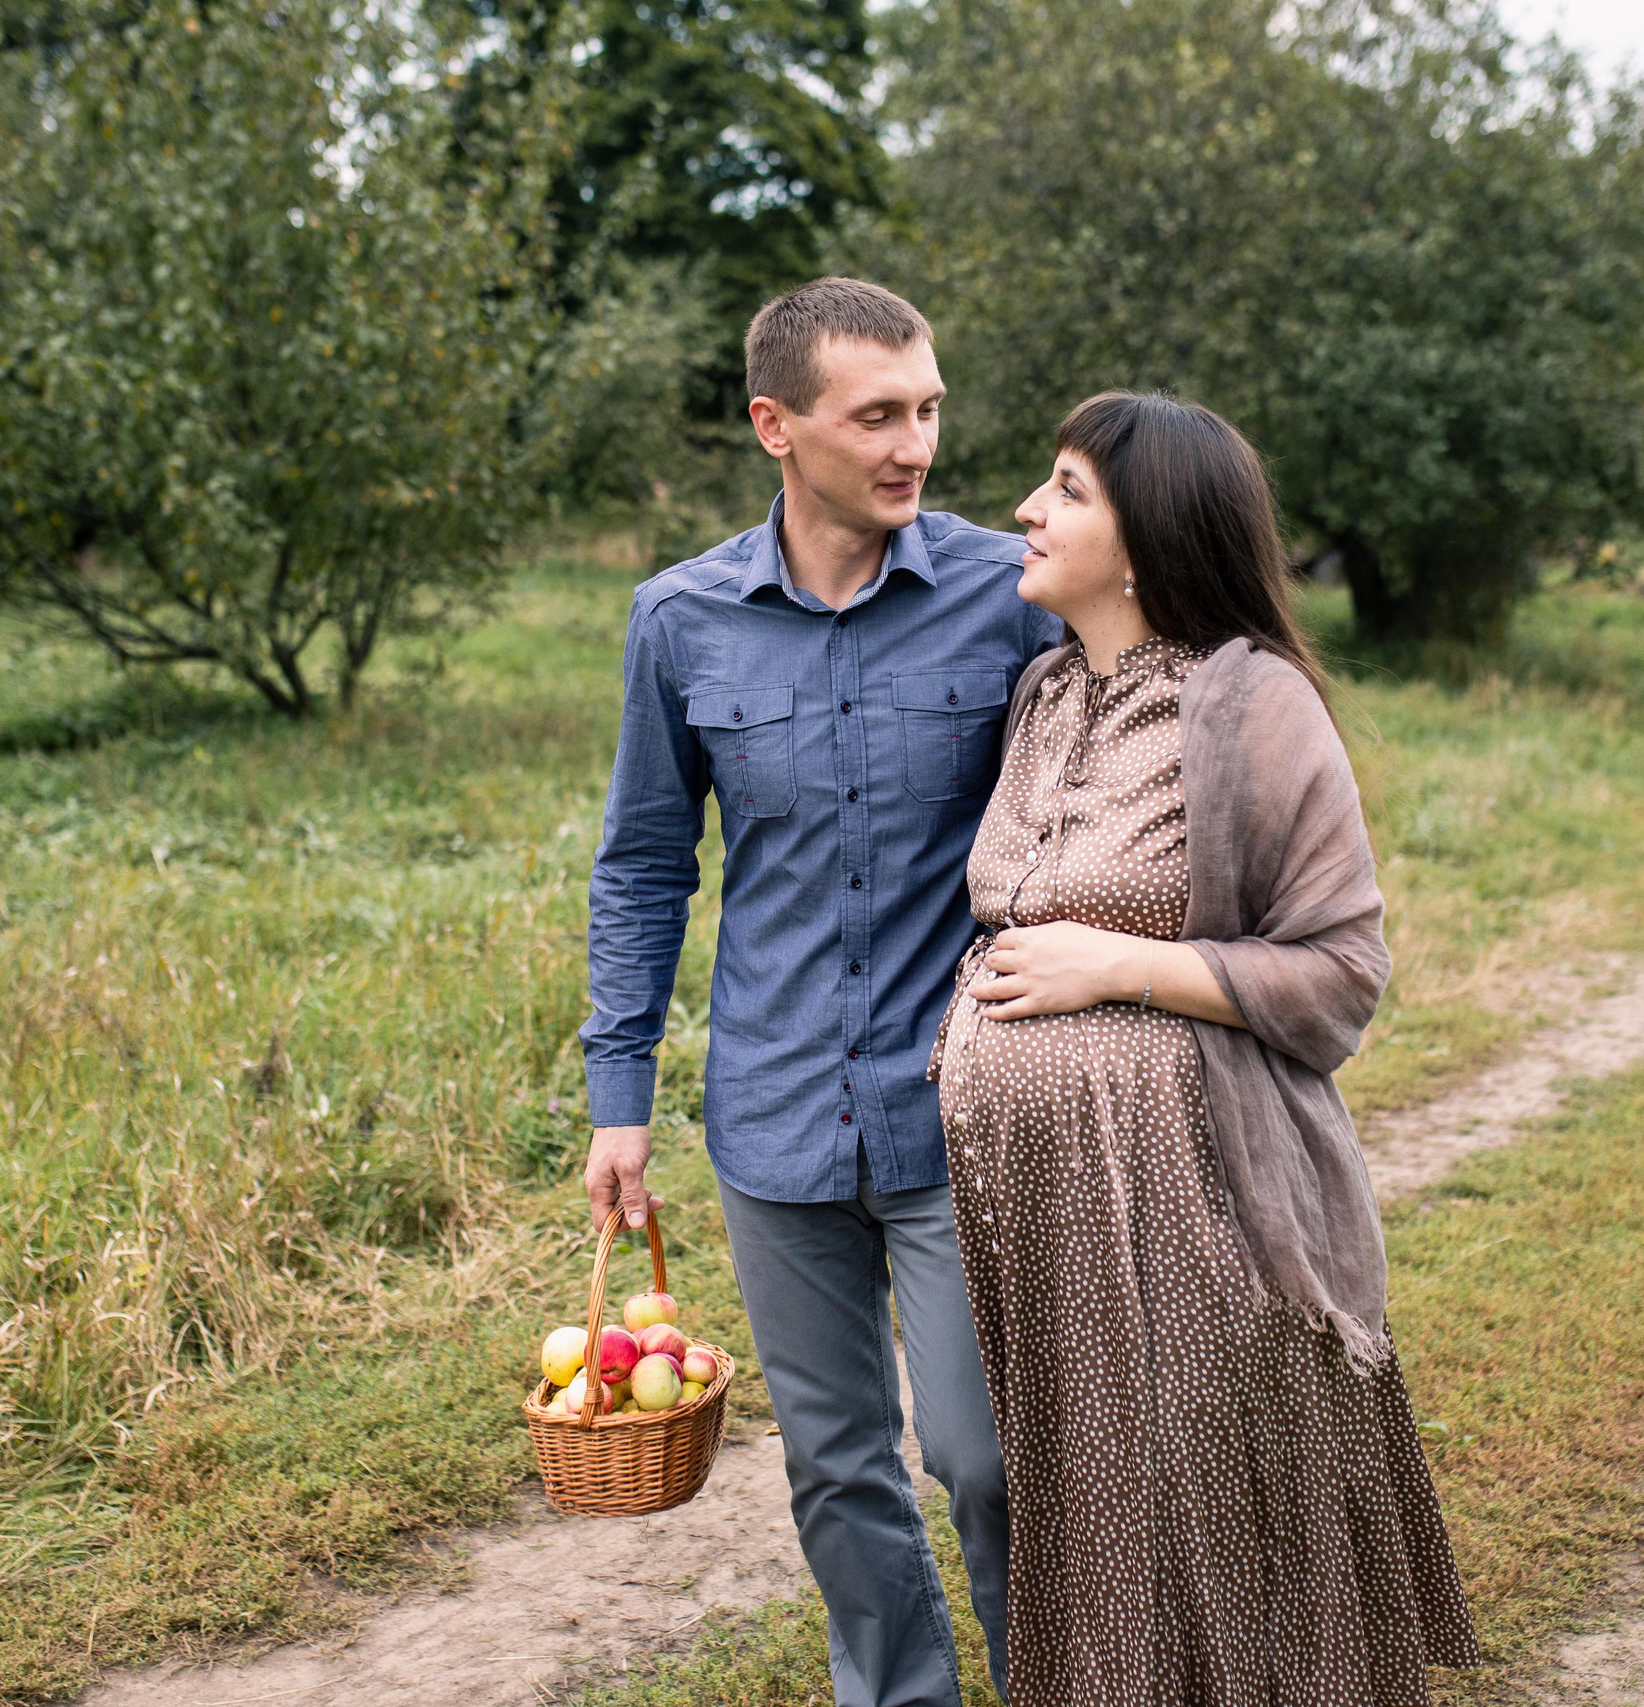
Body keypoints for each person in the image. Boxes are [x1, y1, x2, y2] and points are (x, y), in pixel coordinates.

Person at [929, 392, 1482, 1704]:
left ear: (1145, 538)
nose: (1027, 508)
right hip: (1042, 1220)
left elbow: (1343, 975)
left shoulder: (1254, 708)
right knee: (1093, 1524)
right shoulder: (1043, 691)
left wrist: (1122, 965)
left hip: (1190, 1213)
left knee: (1207, 1529)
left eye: (1066, 488)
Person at [579, 277, 1063, 1707]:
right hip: (774, 1119)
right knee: (837, 1467)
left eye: (927, 410)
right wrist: (622, 1100)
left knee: (984, 1457)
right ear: (776, 426)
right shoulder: (680, 622)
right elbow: (645, 862)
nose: (913, 444)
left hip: (959, 1104)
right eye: (877, 417)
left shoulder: (1006, 591)